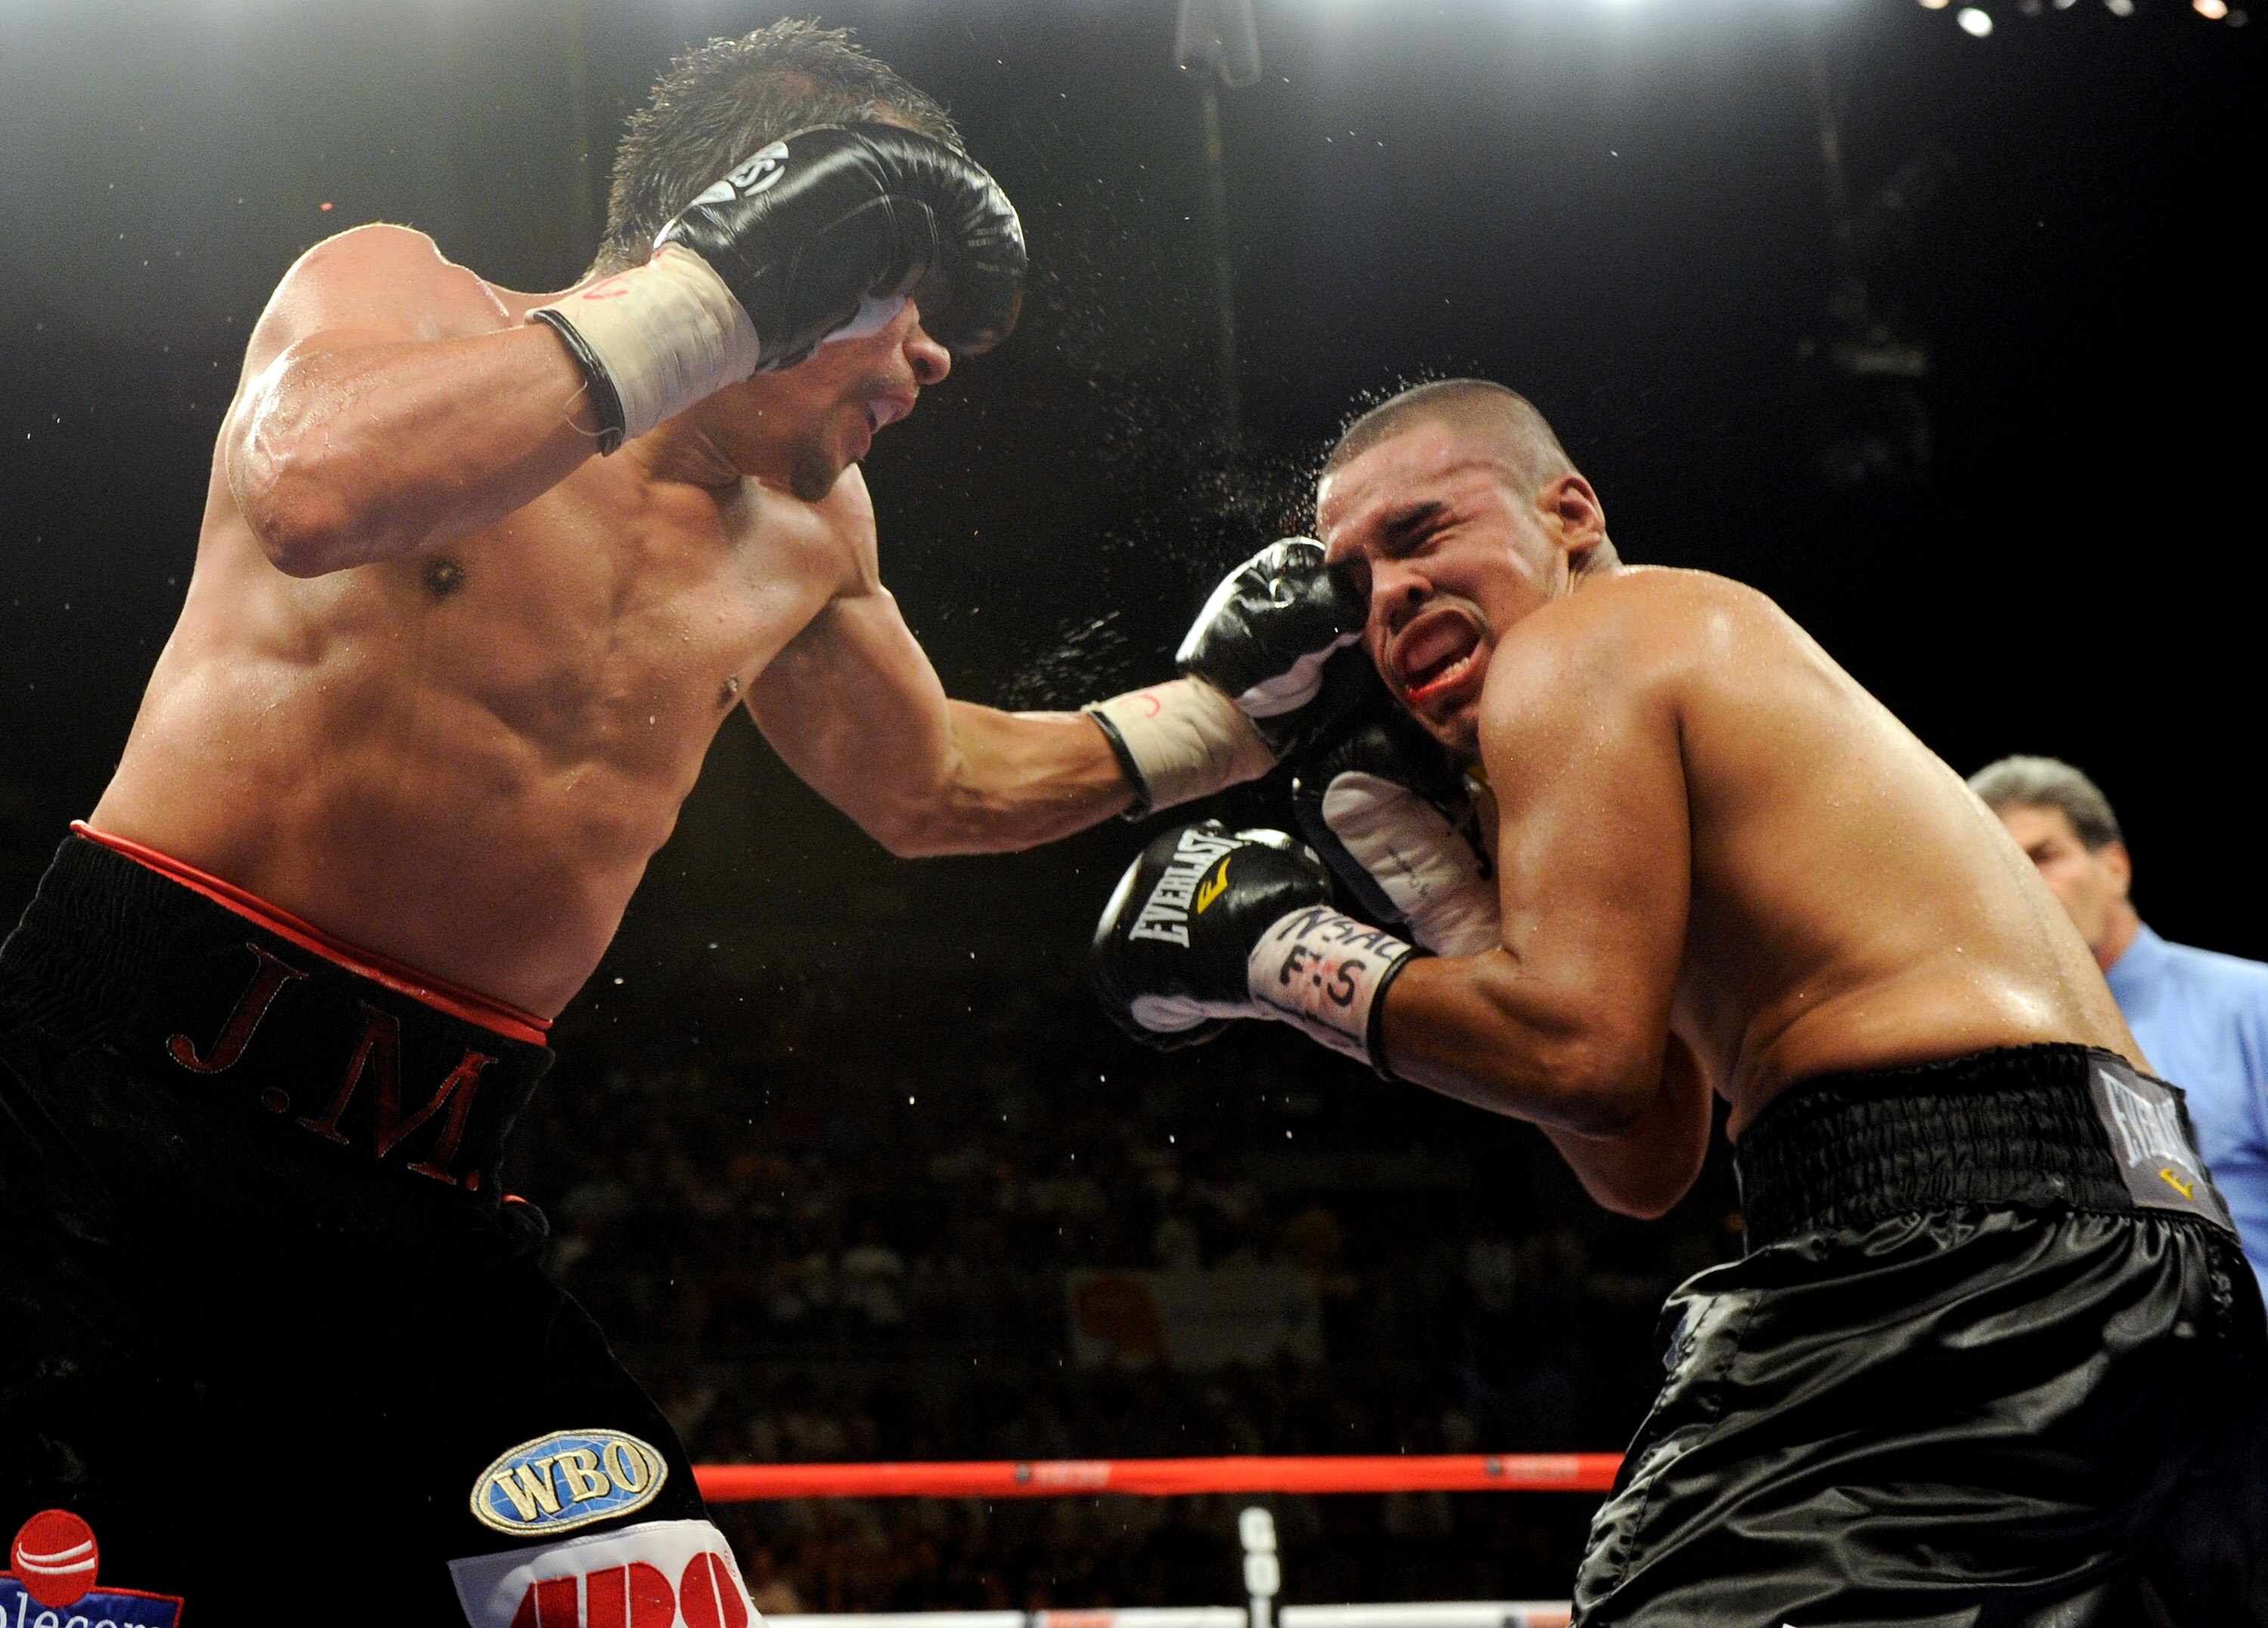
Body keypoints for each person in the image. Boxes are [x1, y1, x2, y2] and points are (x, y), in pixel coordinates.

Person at [0, 23, 1370, 1624]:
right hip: (87, 1141)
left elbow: (935, 787)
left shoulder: (809, 529)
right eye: (907, 302)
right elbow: (310, 490)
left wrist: (1221, 723)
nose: (933, 363)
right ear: (789, 239)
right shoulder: (406, 296)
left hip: (421, 1198)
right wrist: (704, 302)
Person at [1094, 379, 2268, 1624]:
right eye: (1352, 578)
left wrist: (1280, 951)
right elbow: (1646, 1153)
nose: (1386, 594)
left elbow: (1583, 1057)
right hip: (2149, 1262)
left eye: (1421, 532)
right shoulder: (1635, 702)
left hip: (1963, 1262)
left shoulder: (1588, 639)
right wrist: (1452, 911)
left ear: (1570, 510)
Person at [1972, 754, 2268, 1300]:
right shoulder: (1980, 1049)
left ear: (2114, 868)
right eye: (2001, 865)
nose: (2025, 885)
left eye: (2044, 856)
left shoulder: (2252, 1006)